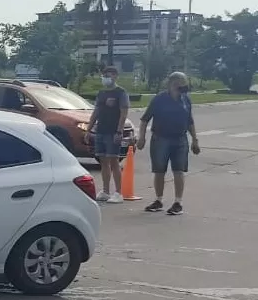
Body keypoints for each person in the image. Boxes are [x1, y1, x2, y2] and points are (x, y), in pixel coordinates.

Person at [137, 71, 201, 215]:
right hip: (160, 138)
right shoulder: (159, 99)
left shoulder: (185, 99)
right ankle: (158, 200)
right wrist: (141, 137)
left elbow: (189, 121)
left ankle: (178, 202)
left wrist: (195, 140)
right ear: (173, 83)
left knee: (179, 170)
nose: (184, 86)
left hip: (180, 139)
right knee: (159, 170)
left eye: (185, 82)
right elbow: (145, 119)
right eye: (181, 82)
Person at [85, 65, 130, 203]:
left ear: (115, 76)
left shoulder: (121, 93)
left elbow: (123, 113)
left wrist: (119, 131)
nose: (106, 78)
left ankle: (118, 192)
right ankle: (105, 191)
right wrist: (88, 129)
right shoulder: (101, 93)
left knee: (114, 161)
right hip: (101, 131)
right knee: (103, 161)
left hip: (113, 132)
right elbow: (96, 112)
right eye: (104, 76)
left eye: (108, 76)